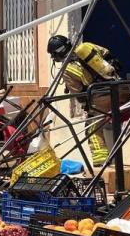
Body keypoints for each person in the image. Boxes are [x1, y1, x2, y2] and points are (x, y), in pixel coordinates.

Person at [47, 34, 125, 166]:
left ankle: (101, 164)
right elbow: (111, 59)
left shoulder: (67, 69)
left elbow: (79, 95)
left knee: (91, 129)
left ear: (58, 54)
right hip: (122, 89)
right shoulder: (87, 46)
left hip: (101, 99)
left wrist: (89, 109)